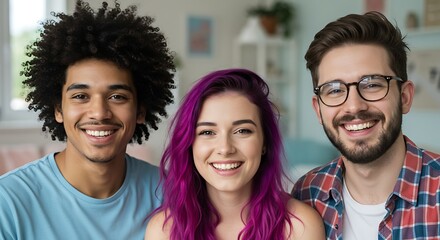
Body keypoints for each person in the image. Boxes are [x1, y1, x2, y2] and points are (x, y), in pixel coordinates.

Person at [0, 0, 175, 239]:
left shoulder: (173, 193)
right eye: (81, 96)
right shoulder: (8, 202)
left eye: (117, 96)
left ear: (140, 111)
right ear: (58, 109)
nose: (100, 112)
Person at [291, 11, 440, 239]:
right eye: (334, 90)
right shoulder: (306, 193)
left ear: (405, 97)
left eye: (372, 85)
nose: (353, 106)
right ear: (318, 109)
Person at [145, 68, 325, 239]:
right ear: (189, 144)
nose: (225, 148)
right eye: (207, 132)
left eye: (242, 131)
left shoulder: (300, 226)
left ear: (265, 142)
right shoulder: (163, 231)